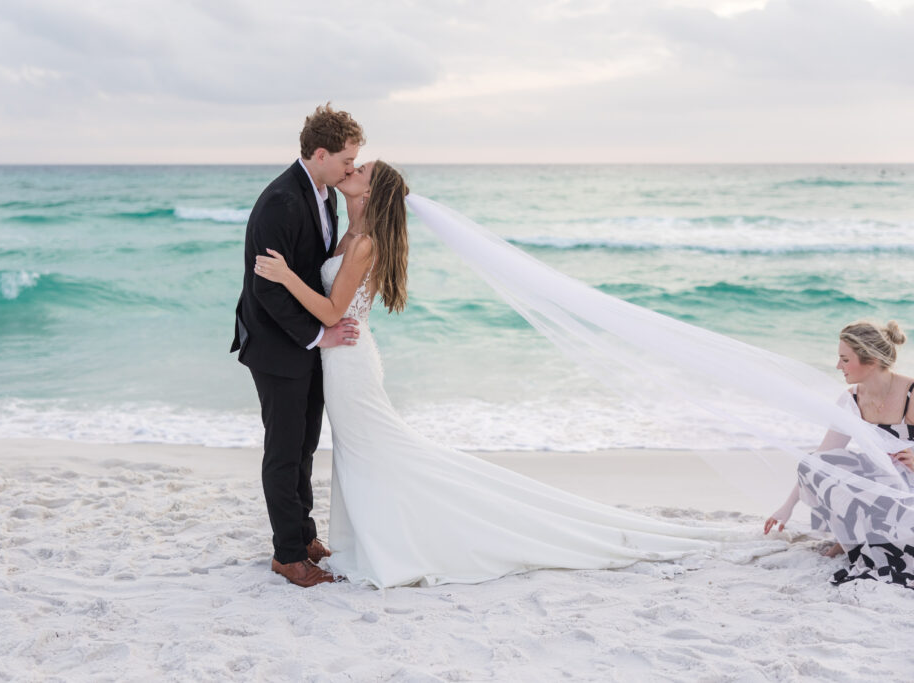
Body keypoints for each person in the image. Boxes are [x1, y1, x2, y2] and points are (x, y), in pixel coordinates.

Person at [253, 160, 754, 588]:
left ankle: (392, 540)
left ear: (372, 190)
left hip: (350, 363)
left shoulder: (364, 244)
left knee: (373, 449)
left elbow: (332, 308)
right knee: (363, 452)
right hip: (341, 360)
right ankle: (362, 535)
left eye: (361, 169)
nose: (352, 168)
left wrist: (286, 276)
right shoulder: (351, 232)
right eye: (354, 163)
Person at [230, 104, 365, 588]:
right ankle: (287, 555)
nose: (353, 166)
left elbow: (312, 267)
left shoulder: (324, 193)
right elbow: (265, 289)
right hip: (275, 344)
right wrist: (319, 334)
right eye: (348, 159)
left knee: (306, 443)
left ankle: (303, 534)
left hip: (305, 343)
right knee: (284, 451)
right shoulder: (281, 203)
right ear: (321, 153)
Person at [764, 321, 914, 588]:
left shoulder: (910, 393)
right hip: (878, 486)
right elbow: (820, 459)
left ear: (870, 360)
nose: (838, 366)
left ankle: (862, 542)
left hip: (907, 488)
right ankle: (850, 542)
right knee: (818, 463)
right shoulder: (850, 399)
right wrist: (788, 506)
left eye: (845, 359)